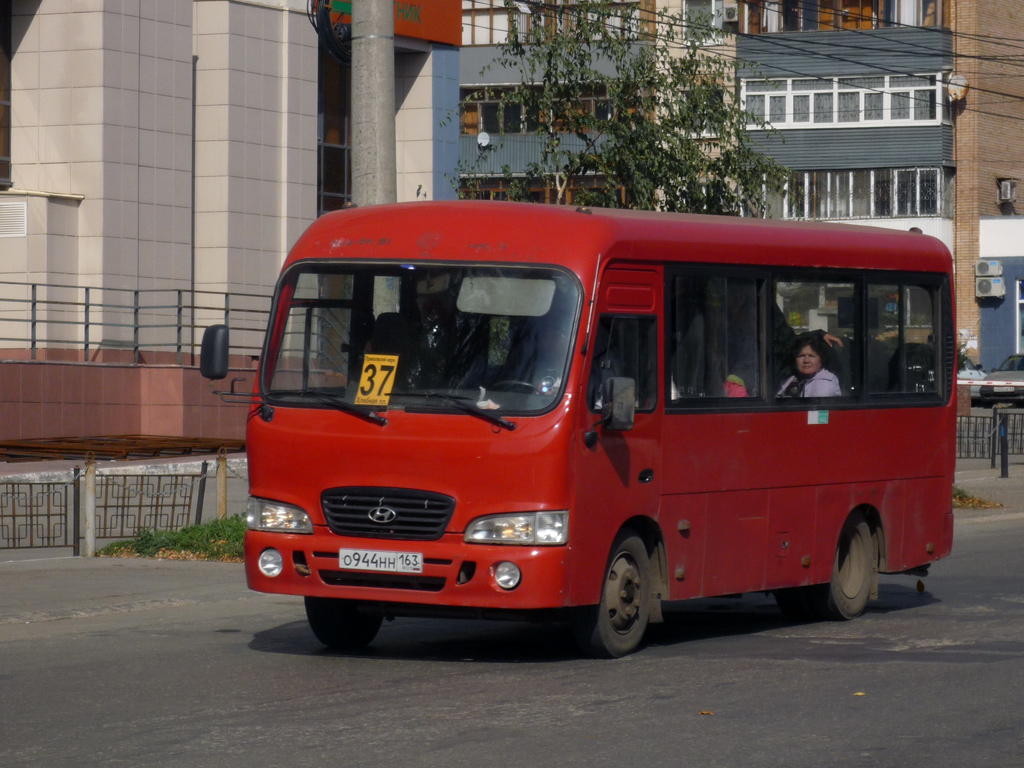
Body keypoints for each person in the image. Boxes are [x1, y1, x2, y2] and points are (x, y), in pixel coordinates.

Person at [777, 333, 841, 398]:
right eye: (801, 356)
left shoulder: (823, 385)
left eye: (811, 356)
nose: (806, 361)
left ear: (821, 360)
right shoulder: (793, 379)